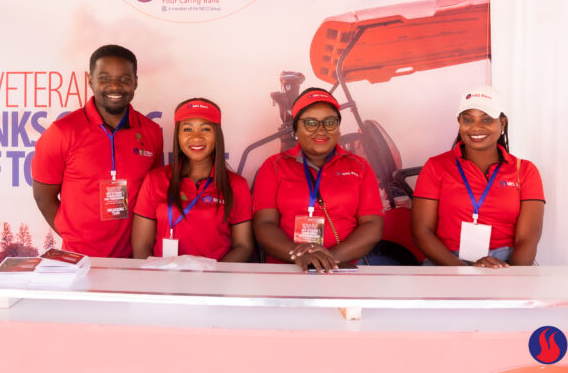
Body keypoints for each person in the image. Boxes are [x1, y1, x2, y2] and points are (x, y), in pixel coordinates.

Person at [32, 45, 163, 257]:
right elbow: (43, 197)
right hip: (79, 260)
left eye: (125, 79)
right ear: (90, 80)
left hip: (134, 259)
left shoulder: (152, 132)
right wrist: (74, 238)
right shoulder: (62, 132)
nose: (115, 86)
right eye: (105, 78)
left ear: (135, 82)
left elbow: (152, 197)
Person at [411, 85, 545, 268]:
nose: (476, 127)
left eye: (487, 119)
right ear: (459, 122)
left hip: (506, 264)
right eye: (468, 120)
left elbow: (528, 239)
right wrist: (465, 272)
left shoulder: (525, 171)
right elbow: (421, 232)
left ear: (502, 123)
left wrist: (512, 276)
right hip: (447, 262)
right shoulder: (436, 166)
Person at [253, 88, 384, 273]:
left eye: (330, 122)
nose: (321, 130)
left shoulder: (359, 167)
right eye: (310, 123)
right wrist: (300, 256)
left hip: (343, 268)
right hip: (287, 269)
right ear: (296, 129)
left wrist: (329, 258)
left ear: (338, 128)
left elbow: (373, 224)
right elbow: (264, 224)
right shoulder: (274, 166)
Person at [131, 98, 253, 261]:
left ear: (217, 135)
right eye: (187, 129)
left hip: (216, 276)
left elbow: (244, 246)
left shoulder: (236, 185)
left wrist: (213, 274)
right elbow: (141, 246)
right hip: (163, 276)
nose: (196, 137)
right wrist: (157, 275)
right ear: (178, 135)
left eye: (205, 129)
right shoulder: (155, 180)